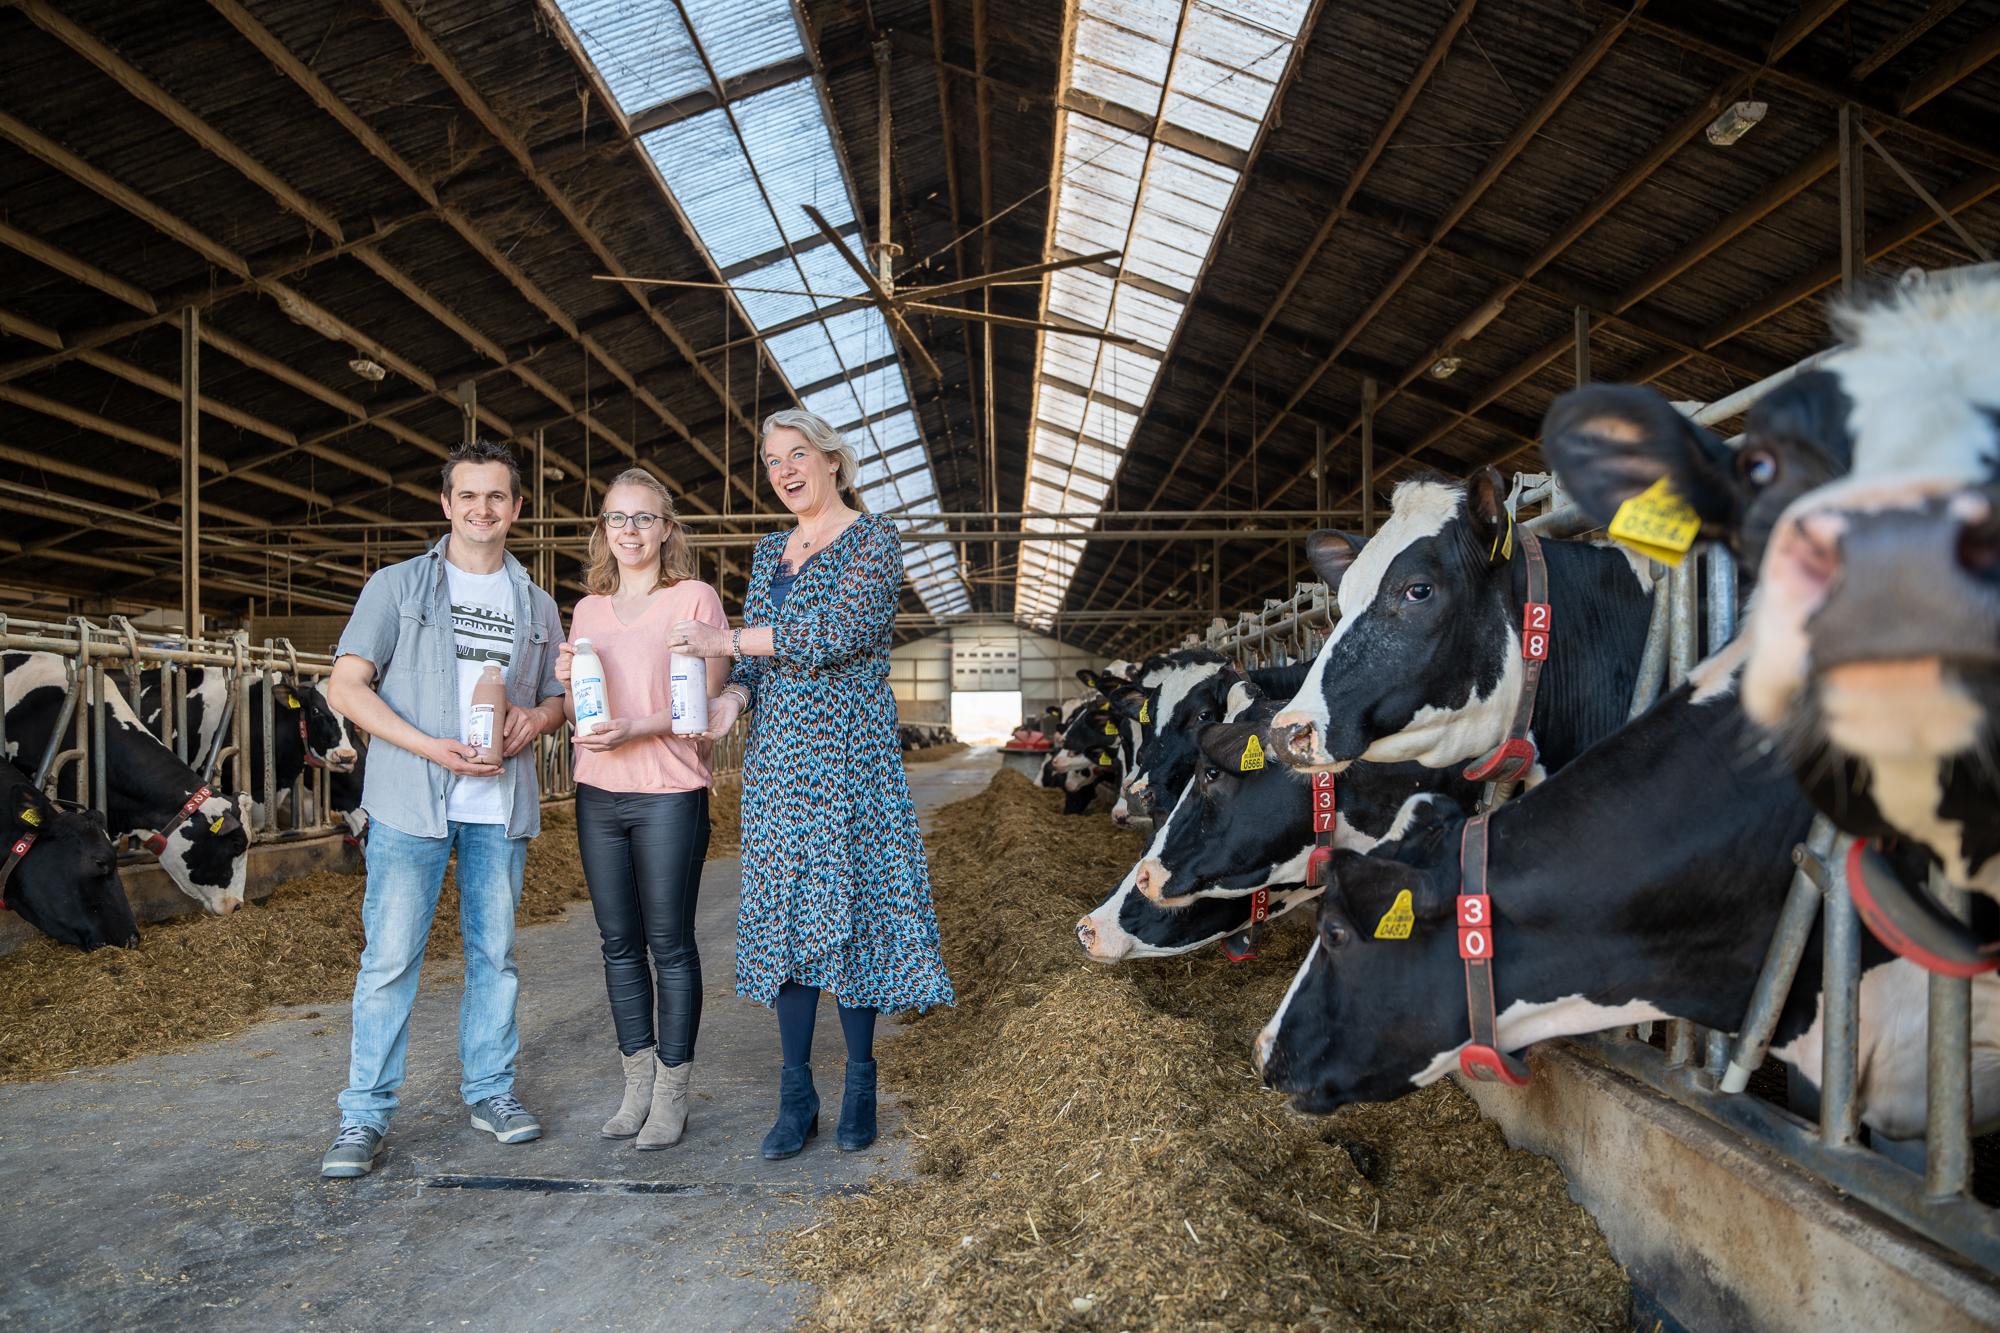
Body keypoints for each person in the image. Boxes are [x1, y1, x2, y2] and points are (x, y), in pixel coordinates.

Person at [671, 408, 953, 1161]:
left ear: (832, 460)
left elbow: (833, 633)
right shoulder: (771, 550)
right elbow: (758, 663)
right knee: (786, 920)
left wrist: (723, 638)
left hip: (851, 759)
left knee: (852, 914)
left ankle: (860, 1083)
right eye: (772, 461)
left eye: (797, 455)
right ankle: (796, 1094)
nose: (784, 471)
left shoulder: (874, 540)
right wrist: (731, 701)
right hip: (779, 767)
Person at [319, 438, 568, 1179]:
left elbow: (559, 698)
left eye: (496, 496)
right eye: (468, 495)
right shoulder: (396, 586)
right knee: (391, 958)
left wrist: (537, 720)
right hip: (410, 802)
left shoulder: (538, 604)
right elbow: (345, 687)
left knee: (495, 957)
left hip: (500, 806)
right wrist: (430, 747)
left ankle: (490, 1091)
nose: (481, 508)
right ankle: (364, 1114)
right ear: (446, 504)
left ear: (516, 508)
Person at [555, 468, 728, 1151]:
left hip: (668, 791)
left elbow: (702, 706)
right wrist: (570, 691)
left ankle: (672, 1092)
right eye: (617, 517)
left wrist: (635, 729)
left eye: (644, 518)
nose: (630, 530)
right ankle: (636, 1083)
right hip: (598, 790)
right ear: (603, 528)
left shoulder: (694, 599)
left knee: (670, 944)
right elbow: (582, 712)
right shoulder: (588, 610)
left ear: (667, 529)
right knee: (618, 943)